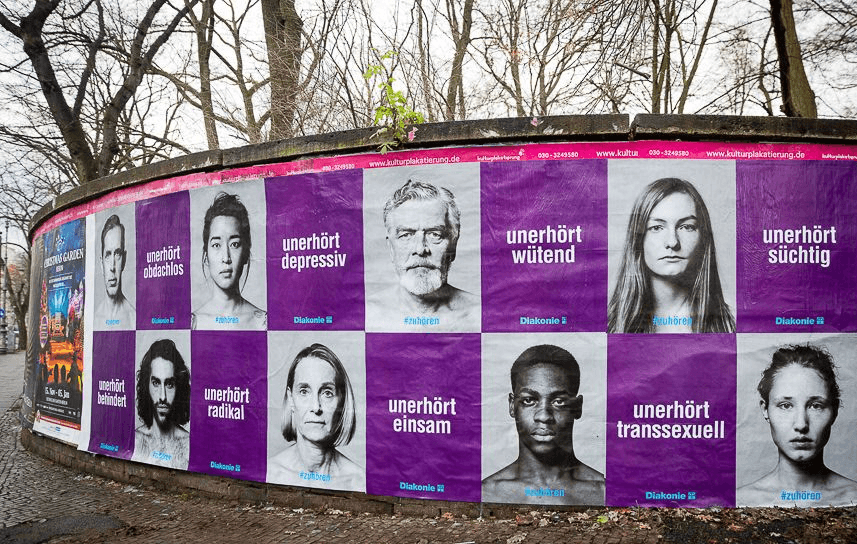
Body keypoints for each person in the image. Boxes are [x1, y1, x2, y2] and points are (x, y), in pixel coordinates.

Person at [608, 177, 734, 333]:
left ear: (703, 238)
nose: (673, 242)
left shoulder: (732, 326)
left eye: (687, 227)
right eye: (656, 227)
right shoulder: (607, 327)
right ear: (638, 240)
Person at [482, 344, 604, 505]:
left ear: (577, 407)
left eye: (559, 402)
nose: (544, 416)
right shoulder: (487, 492)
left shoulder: (603, 492)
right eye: (529, 400)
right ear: (512, 405)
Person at [738, 344, 857, 506]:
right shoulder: (739, 502)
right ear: (765, 409)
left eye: (816, 405)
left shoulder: (853, 498)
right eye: (785, 405)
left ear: (834, 411)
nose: (801, 424)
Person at [366, 179, 479, 331]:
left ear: (453, 244)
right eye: (406, 235)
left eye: (435, 234)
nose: (420, 249)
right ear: (391, 248)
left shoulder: (479, 314)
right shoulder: (367, 314)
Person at [268, 343, 362, 490]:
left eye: (327, 393)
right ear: (291, 398)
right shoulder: (271, 472)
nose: (315, 407)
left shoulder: (358, 481)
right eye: (304, 391)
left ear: (341, 401)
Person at [192, 192, 266, 329]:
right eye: (216, 245)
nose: (226, 258)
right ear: (206, 255)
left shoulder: (262, 323)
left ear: (245, 253)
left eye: (234, 244)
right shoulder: (194, 323)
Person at [132, 339, 190, 470]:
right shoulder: (136, 440)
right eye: (156, 383)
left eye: (169, 384)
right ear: (146, 385)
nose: (162, 396)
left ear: (178, 387)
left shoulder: (189, 445)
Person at [96, 214, 134, 327]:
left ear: (124, 260)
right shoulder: (94, 320)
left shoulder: (133, 319)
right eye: (108, 255)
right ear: (101, 263)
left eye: (117, 254)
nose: (112, 267)